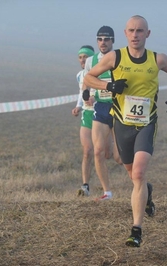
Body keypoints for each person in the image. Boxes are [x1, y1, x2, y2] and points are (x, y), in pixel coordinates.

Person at [84, 15, 167, 247]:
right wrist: (109, 85)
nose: (136, 35)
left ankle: (136, 230)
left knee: (138, 173)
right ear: (125, 33)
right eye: (131, 30)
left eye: (140, 31)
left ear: (147, 34)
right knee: (133, 176)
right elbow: (89, 78)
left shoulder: (158, 59)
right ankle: (146, 191)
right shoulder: (115, 57)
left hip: (147, 122)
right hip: (122, 123)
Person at [82, 26, 122, 201]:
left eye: (106, 39)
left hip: (119, 108)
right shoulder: (91, 60)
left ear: (112, 41)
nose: (103, 42)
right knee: (97, 151)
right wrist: (86, 94)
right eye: (99, 39)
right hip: (101, 108)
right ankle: (107, 192)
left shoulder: (119, 57)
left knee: (120, 157)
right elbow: (87, 79)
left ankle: (141, 183)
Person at [72, 45, 96, 196]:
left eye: (85, 57)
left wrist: (96, 99)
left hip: (102, 114)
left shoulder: (101, 72)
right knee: (87, 151)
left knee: (108, 154)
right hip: (87, 115)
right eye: (80, 57)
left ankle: (140, 183)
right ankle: (85, 186)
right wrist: (78, 106)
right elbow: (82, 92)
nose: (82, 60)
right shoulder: (79, 75)